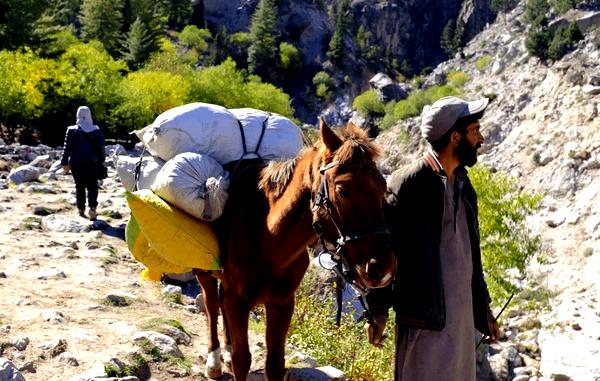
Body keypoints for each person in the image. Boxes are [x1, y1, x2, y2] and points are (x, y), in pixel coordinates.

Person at [365, 96, 501, 380]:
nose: (482, 139)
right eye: (475, 130)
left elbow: (471, 253)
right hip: (425, 324)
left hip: (462, 324)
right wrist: (377, 310)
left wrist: (483, 308)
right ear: (455, 137)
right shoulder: (407, 184)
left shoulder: (464, 185)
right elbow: (382, 251)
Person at [60, 106, 105, 220]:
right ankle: (92, 208)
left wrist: (64, 162)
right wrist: (101, 162)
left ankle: (81, 209)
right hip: (92, 163)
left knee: (79, 186)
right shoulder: (96, 130)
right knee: (92, 186)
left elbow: (67, 148)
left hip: (76, 163)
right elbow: (101, 149)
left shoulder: (71, 130)